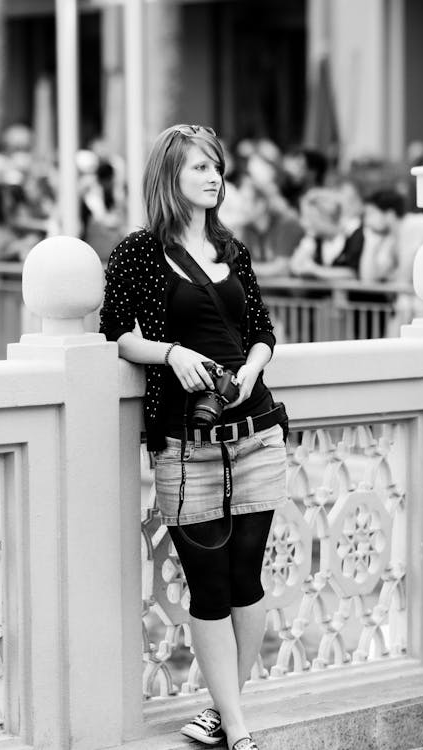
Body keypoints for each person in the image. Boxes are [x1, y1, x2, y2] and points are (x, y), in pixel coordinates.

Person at [99, 124, 288, 750]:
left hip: (256, 430)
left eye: (216, 167)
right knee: (208, 583)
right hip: (185, 440)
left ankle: (225, 712)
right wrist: (170, 352)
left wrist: (253, 369)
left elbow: (261, 327)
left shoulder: (231, 247)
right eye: (198, 169)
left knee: (247, 579)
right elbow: (115, 335)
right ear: (168, 178)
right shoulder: (138, 252)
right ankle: (236, 728)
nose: (213, 177)